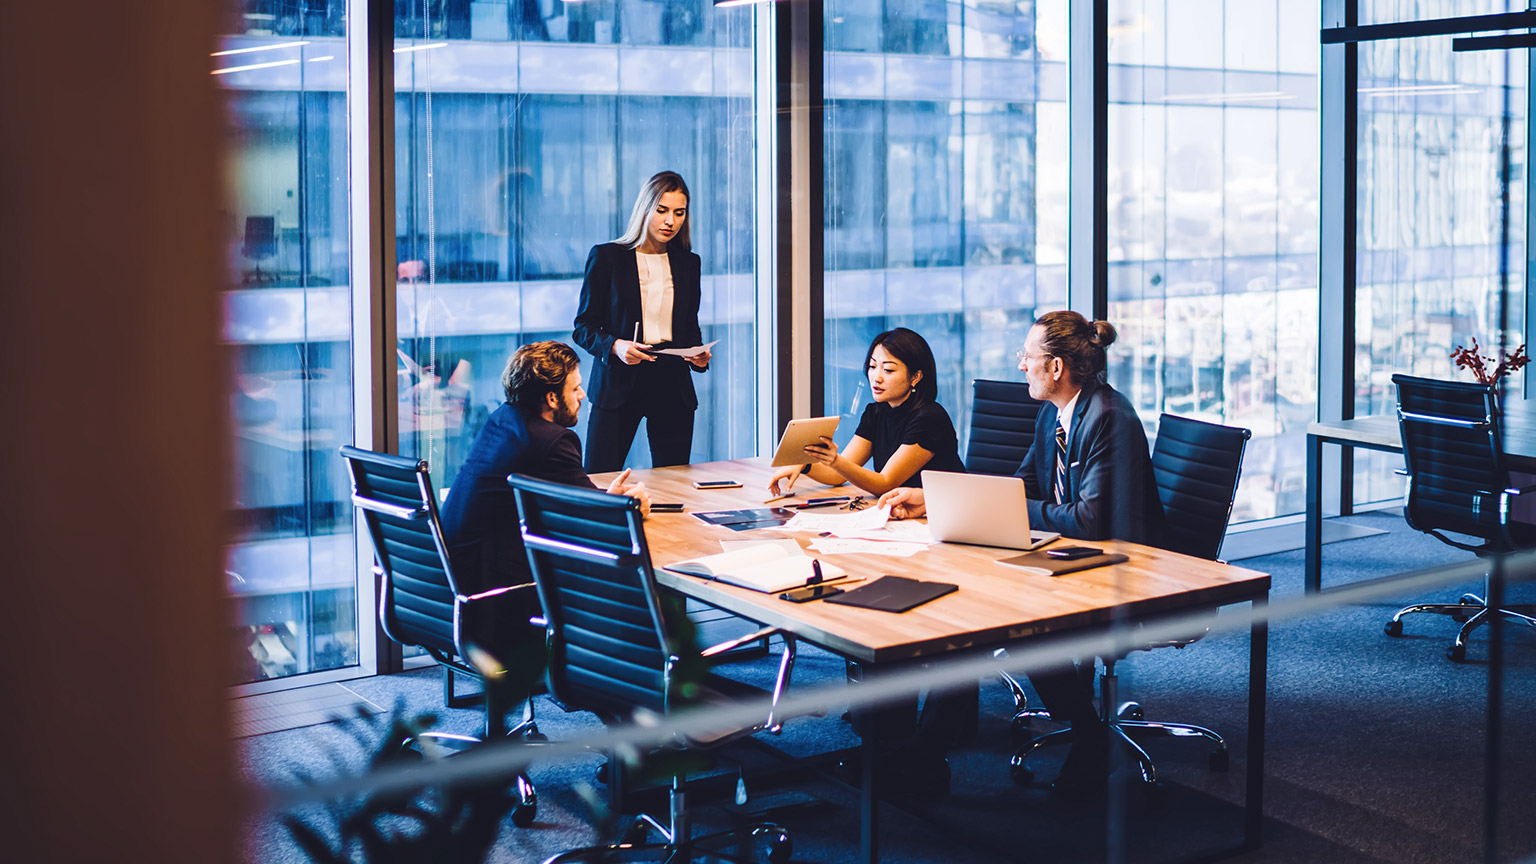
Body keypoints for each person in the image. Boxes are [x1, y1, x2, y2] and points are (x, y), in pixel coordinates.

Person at [880, 310, 1165, 794]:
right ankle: (932, 753)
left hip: (1126, 565)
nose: (1020, 366)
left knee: (1016, 624)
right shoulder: (1051, 414)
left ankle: (933, 755)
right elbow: (1019, 488)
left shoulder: (1109, 419)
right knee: (975, 612)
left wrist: (1015, 511)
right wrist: (932, 499)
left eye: (1027, 357)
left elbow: (1089, 520)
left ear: (1055, 368)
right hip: (1071, 555)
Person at [440, 340, 650, 597]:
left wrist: (607, 501)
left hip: (452, 586)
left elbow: (575, 504)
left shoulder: (501, 421)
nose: (582, 395)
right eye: (575, 389)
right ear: (552, 398)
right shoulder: (552, 440)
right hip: (497, 596)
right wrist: (630, 509)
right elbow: (595, 524)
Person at [573, 170, 711, 473]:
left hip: (672, 382)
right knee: (599, 475)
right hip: (619, 380)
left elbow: (689, 326)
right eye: (662, 211)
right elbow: (583, 327)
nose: (670, 221)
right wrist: (615, 346)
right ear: (645, 209)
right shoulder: (607, 257)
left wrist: (697, 354)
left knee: (674, 481)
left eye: (679, 213)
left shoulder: (689, 263)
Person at [767, 327, 965, 498]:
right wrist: (805, 464)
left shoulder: (929, 418)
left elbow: (886, 483)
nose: (876, 377)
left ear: (916, 377)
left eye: (888, 370)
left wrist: (834, 460)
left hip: (943, 515)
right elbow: (837, 474)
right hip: (900, 512)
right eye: (872, 366)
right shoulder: (876, 412)